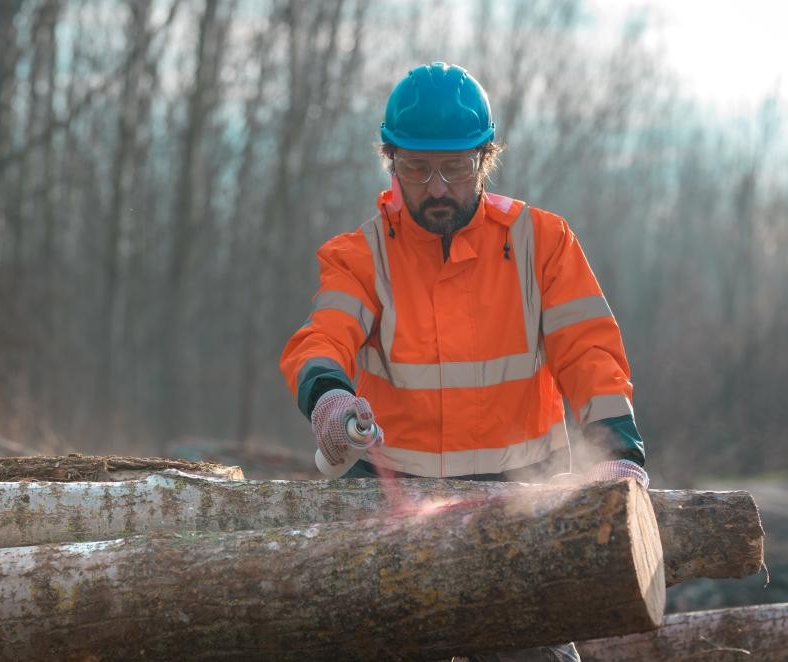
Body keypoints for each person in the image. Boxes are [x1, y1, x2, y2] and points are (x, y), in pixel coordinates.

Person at [278, 62, 649, 661]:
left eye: (454, 167)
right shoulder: (359, 255)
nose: (438, 186)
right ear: (390, 162)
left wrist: (620, 453)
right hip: (392, 510)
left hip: (522, 505)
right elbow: (323, 337)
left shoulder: (543, 242)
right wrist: (328, 397)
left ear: (484, 159)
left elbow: (589, 352)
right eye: (417, 169)